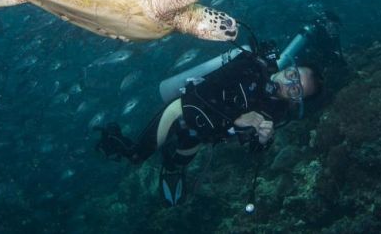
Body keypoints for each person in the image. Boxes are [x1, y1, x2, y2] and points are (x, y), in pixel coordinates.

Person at [95, 12, 341, 207]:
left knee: (178, 161)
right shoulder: (251, 65)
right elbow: (204, 92)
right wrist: (237, 117)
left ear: (296, 100)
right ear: (289, 68)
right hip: (181, 112)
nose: (288, 83)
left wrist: (263, 140)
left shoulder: (275, 112)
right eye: (293, 75)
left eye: (296, 90)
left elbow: (253, 149)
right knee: (135, 157)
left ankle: (171, 169)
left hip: (200, 136)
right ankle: (113, 136)